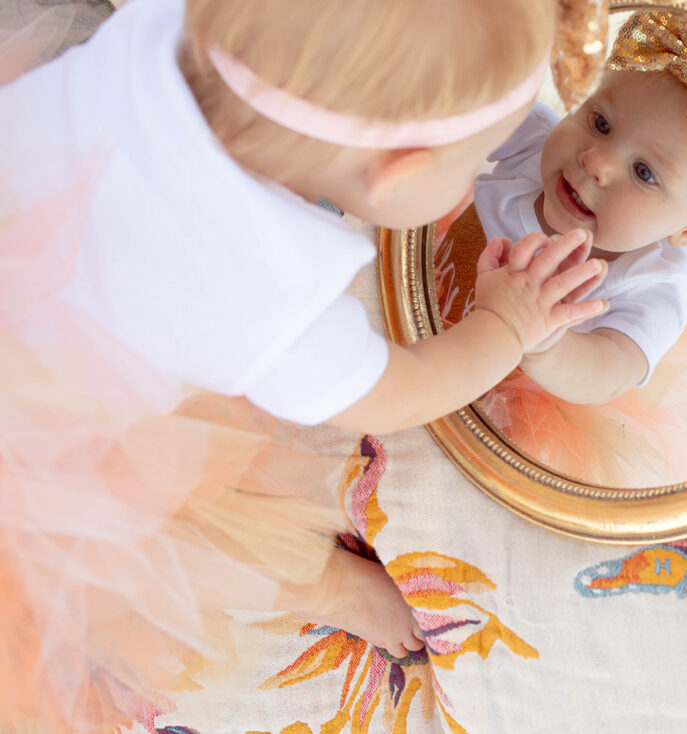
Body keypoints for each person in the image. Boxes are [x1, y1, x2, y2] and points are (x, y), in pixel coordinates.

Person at [0, 0, 609, 730]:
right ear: (397, 172)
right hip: (37, 444)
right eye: (476, 158)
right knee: (168, 519)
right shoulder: (265, 292)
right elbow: (397, 394)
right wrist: (507, 323)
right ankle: (322, 588)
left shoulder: (162, 24)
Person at [462, 10, 687, 484]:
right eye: (601, 122)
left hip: (500, 399)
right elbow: (468, 96)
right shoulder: (536, 145)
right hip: (424, 292)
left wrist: (546, 342)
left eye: (644, 173)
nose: (597, 162)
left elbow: (609, 368)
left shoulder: (653, 284)